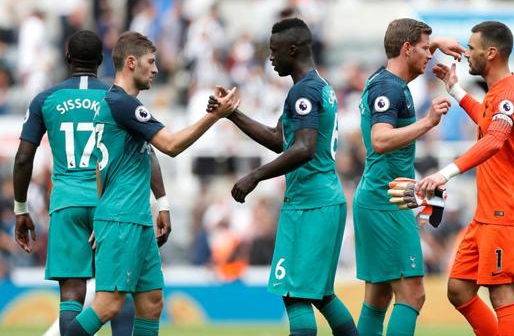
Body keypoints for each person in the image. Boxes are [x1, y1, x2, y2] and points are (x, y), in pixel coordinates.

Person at [64, 31, 239, 336]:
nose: (156, 69)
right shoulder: (123, 104)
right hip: (122, 217)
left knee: (152, 301)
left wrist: (163, 203)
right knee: (108, 304)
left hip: (134, 218)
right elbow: (170, 145)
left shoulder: (121, 106)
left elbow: (112, 162)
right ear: (131, 63)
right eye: (150, 61)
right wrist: (216, 116)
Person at [13, 30, 167, 336]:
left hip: (67, 204)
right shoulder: (117, 98)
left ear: (67, 57)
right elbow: (145, 152)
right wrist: (161, 201)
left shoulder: (45, 99)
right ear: (101, 60)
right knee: (116, 291)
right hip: (109, 204)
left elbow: (22, 158)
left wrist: (20, 209)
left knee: (72, 296)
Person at [216, 17, 358, 336]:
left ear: (292, 49)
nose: (270, 57)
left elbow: (305, 148)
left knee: (293, 294)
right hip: (325, 200)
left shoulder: (303, 91)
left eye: (274, 50)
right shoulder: (317, 86)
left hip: (310, 204)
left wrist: (255, 176)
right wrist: (232, 114)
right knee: (321, 295)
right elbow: (280, 138)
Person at [415, 21, 514, 336]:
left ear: (491, 53)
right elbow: (487, 119)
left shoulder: (512, 92)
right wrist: (455, 88)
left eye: (471, 48)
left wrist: (445, 172)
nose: (466, 53)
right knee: (458, 289)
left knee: (502, 295)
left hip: (506, 210)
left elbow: (494, 139)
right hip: (488, 213)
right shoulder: (499, 93)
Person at [352, 18, 463, 336]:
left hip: (382, 197)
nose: (430, 56)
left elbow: (404, 49)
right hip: (387, 201)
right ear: (406, 49)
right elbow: (380, 139)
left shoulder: (385, 81)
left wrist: (436, 42)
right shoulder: (389, 87)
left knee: (378, 297)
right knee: (413, 294)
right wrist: (428, 122)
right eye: (425, 49)